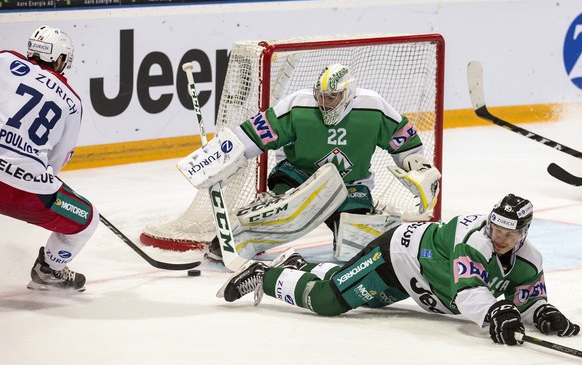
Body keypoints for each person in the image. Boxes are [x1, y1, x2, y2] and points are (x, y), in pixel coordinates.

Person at [219, 194, 579, 345]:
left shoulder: (529, 258)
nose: (499, 237)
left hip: (421, 285)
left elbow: (528, 298)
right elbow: (470, 294)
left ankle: (300, 265)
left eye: (509, 233)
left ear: (524, 233)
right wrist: (497, 310)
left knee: (364, 299)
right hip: (397, 257)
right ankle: (264, 275)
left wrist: (543, 312)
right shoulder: (475, 241)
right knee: (329, 300)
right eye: (496, 228)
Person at [202, 63, 441, 263]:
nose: (325, 102)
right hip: (299, 175)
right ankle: (230, 240)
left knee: (357, 250)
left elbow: (405, 144)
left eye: (332, 97)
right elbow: (255, 133)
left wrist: (418, 168)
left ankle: (367, 217)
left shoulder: (373, 108)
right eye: (321, 96)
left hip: (351, 185)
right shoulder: (299, 105)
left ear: (347, 93)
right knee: (279, 212)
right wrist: (222, 156)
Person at [0, 25, 100, 291]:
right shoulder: (71, 101)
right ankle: (49, 269)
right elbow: (57, 160)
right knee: (88, 220)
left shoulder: (5, 59)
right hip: (24, 189)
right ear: (60, 59)